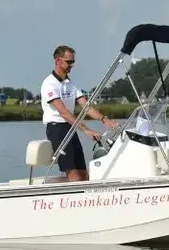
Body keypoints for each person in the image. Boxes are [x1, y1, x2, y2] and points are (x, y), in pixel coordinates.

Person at [40, 45, 118, 182]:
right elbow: (63, 112)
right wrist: (87, 130)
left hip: (70, 128)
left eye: (73, 62)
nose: (72, 65)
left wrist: (104, 119)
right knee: (75, 176)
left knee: (84, 175)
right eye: (69, 62)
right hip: (57, 129)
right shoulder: (49, 84)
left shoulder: (71, 83)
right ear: (58, 61)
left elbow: (86, 107)